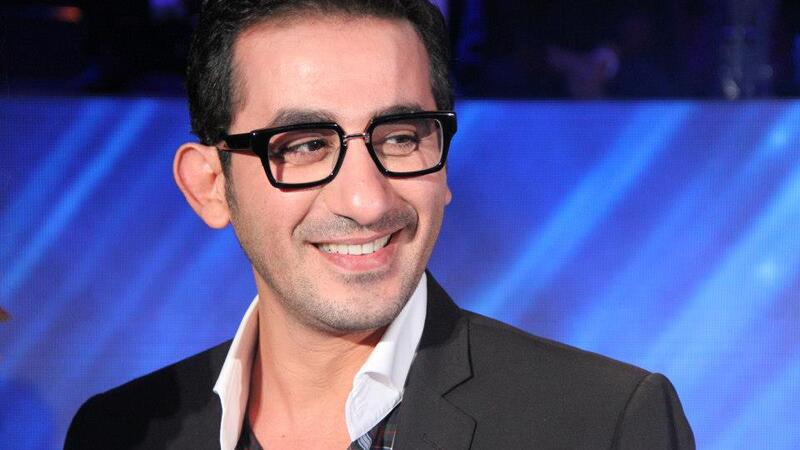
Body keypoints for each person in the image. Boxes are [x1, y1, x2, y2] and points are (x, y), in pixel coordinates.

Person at [65, 1, 695, 448]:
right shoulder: (118, 432)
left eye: (400, 137)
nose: (367, 201)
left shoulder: (601, 425)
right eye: (304, 145)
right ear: (209, 186)